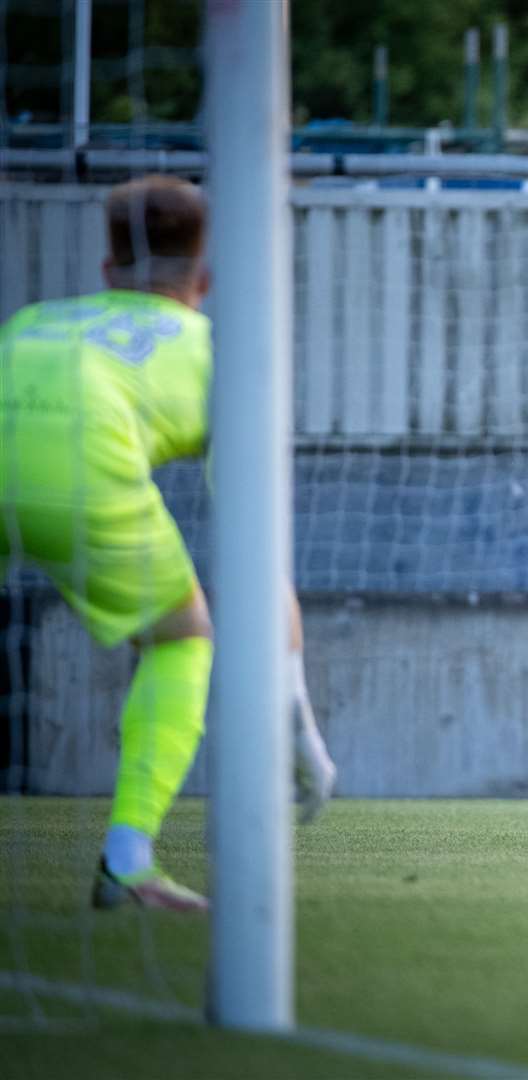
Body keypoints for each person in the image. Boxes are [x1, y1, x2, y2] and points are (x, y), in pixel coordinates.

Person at [0, 175, 336, 912]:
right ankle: (127, 860)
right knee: (182, 637)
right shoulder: (221, 356)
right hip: (82, 465)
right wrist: (298, 722)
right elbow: (256, 556)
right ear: (206, 279)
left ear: (104, 272)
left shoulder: (32, 320)